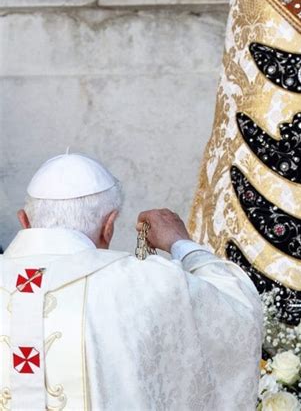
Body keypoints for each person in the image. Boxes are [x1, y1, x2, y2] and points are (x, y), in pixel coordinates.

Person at [0, 153, 263, 410]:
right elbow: (237, 309)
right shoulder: (144, 283)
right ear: (109, 226)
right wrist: (180, 243)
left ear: (24, 220)